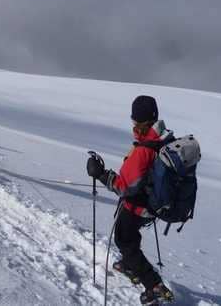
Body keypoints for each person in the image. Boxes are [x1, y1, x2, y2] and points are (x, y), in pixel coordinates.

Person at [86, 95, 175, 305]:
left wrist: (100, 174)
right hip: (154, 204)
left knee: (124, 240)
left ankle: (154, 286)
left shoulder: (144, 150)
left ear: (137, 119)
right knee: (130, 238)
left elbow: (123, 186)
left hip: (137, 205)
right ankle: (129, 265)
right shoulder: (164, 138)